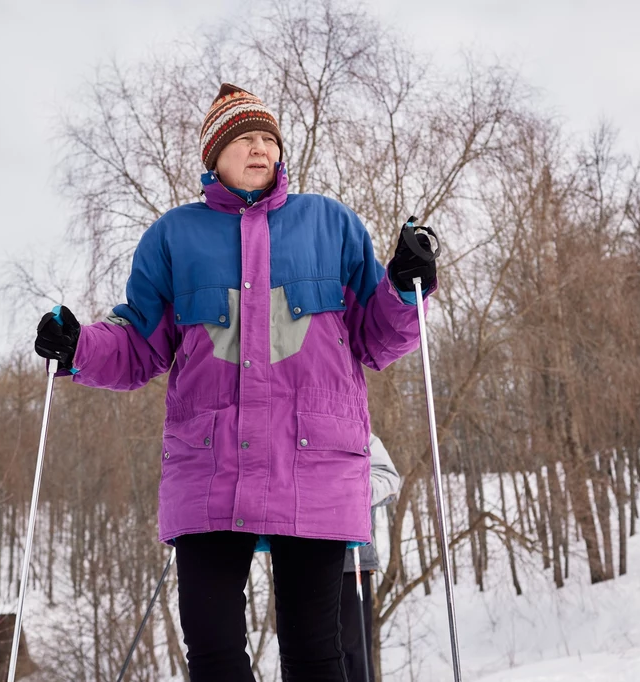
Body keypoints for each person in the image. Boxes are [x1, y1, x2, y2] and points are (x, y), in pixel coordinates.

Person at [34, 83, 436, 682]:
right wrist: (77, 349)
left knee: (316, 651)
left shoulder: (331, 225)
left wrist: (407, 286)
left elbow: (379, 336)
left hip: (316, 464)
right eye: (244, 138)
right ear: (213, 156)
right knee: (214, 650)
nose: (259, 148)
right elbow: (139, 341)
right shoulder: (174, 238)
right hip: (210, 468)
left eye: (268, 139)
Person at [340, 434, 401, 682]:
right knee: (303, 651)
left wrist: (349, 489)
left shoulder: (358, 432)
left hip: (350, 561)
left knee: (353, 655)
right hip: (297, 560)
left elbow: (388, 479)